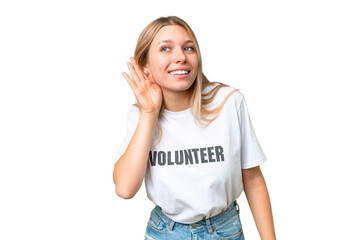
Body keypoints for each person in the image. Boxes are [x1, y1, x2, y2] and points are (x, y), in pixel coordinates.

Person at [113, 16, 276, 240]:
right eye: (166, 49)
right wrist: (149, 114)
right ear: (146, 67)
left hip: (223, 230)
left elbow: (252, 177)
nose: (180, 57)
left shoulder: (228, 103)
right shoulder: (140, 116)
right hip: (165, 232)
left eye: (188, 48)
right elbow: (124, 188)